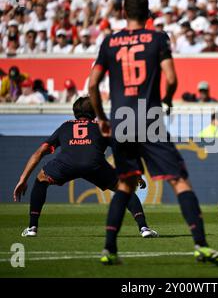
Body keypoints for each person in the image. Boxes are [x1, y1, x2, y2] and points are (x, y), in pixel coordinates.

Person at [89, 0, 218, 266]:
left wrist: (102, 118)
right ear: (148, 13)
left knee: (126, 183)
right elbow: (172, 78)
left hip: (120, 120)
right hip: (150, 118)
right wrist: (166, 100)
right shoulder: (158, 38)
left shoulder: (109, 42)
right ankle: (201, 245)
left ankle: (109, 250)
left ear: (122, 11)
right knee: (178, 179)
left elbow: (93, 85)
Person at [13, 97, 158, 239]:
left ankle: (32, 227)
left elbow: (40, 152)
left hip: (66, 164)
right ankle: (144, 228)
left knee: (41, 179)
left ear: (75, 113)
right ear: (94, 112)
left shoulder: (65, 126)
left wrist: (23, 179)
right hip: (94, 165)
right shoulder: (102, 126)